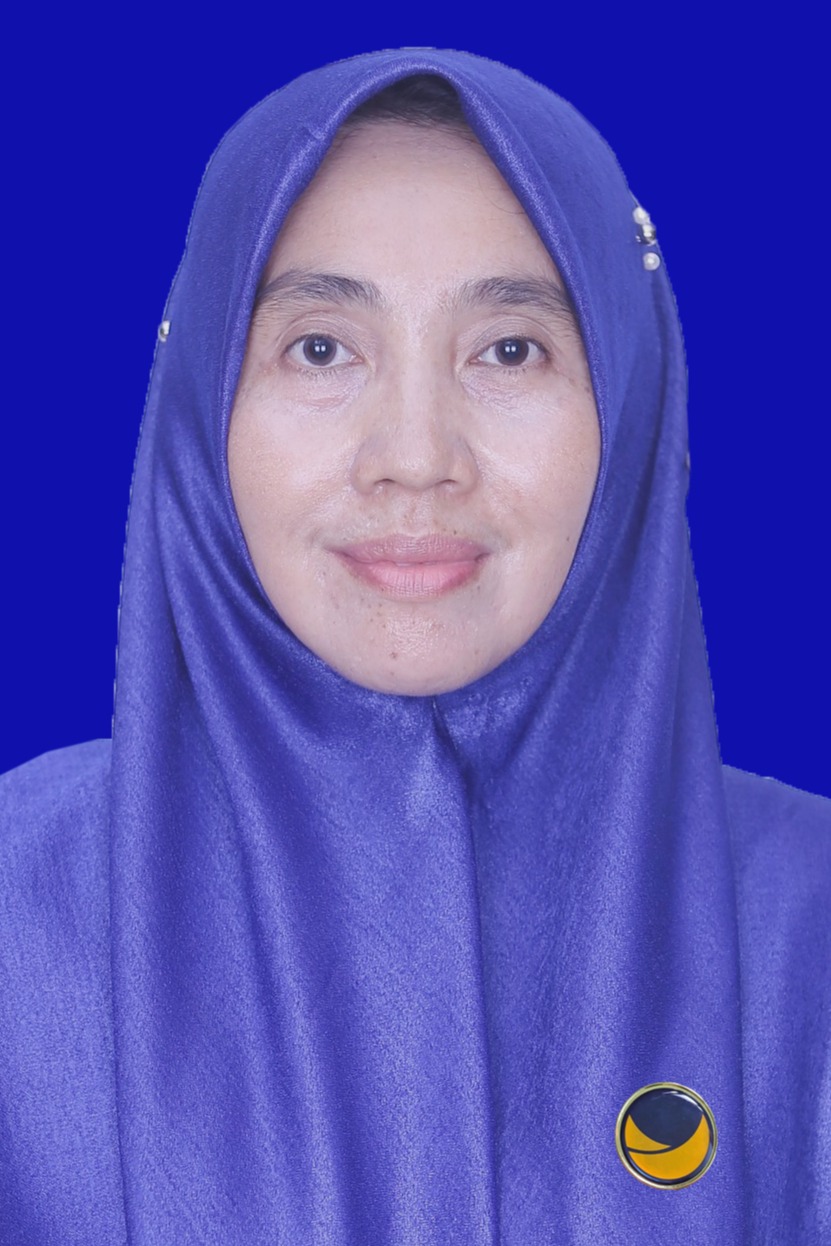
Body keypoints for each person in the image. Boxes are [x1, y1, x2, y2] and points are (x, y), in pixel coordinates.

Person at [0, 48, 828, 1246]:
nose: (415, 454)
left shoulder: (809, 921)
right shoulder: (18, 911)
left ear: (634, 404)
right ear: (199, 403)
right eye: (321, 348)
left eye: (510, 350)